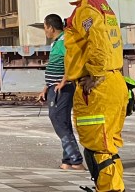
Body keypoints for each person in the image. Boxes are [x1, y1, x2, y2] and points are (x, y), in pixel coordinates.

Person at [60, 0, 128, 192]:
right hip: (111, 83)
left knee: (98, 148)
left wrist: (96, 74)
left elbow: (98, 43)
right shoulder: (100, 4)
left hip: (98, 88)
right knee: (106, 146)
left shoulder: (87, 8)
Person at [36, 13, 83, 171]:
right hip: (53, 87)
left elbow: (72, 62)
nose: (45, 32)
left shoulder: (65, 41)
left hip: (62, 88)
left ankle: (76, 159)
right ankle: (67, 160)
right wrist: (46, 87)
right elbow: (54, 64)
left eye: (45, 28)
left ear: (50, 27)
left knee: (56, 119)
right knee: (63, 122)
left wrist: (63, 82)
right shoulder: (55, 43)